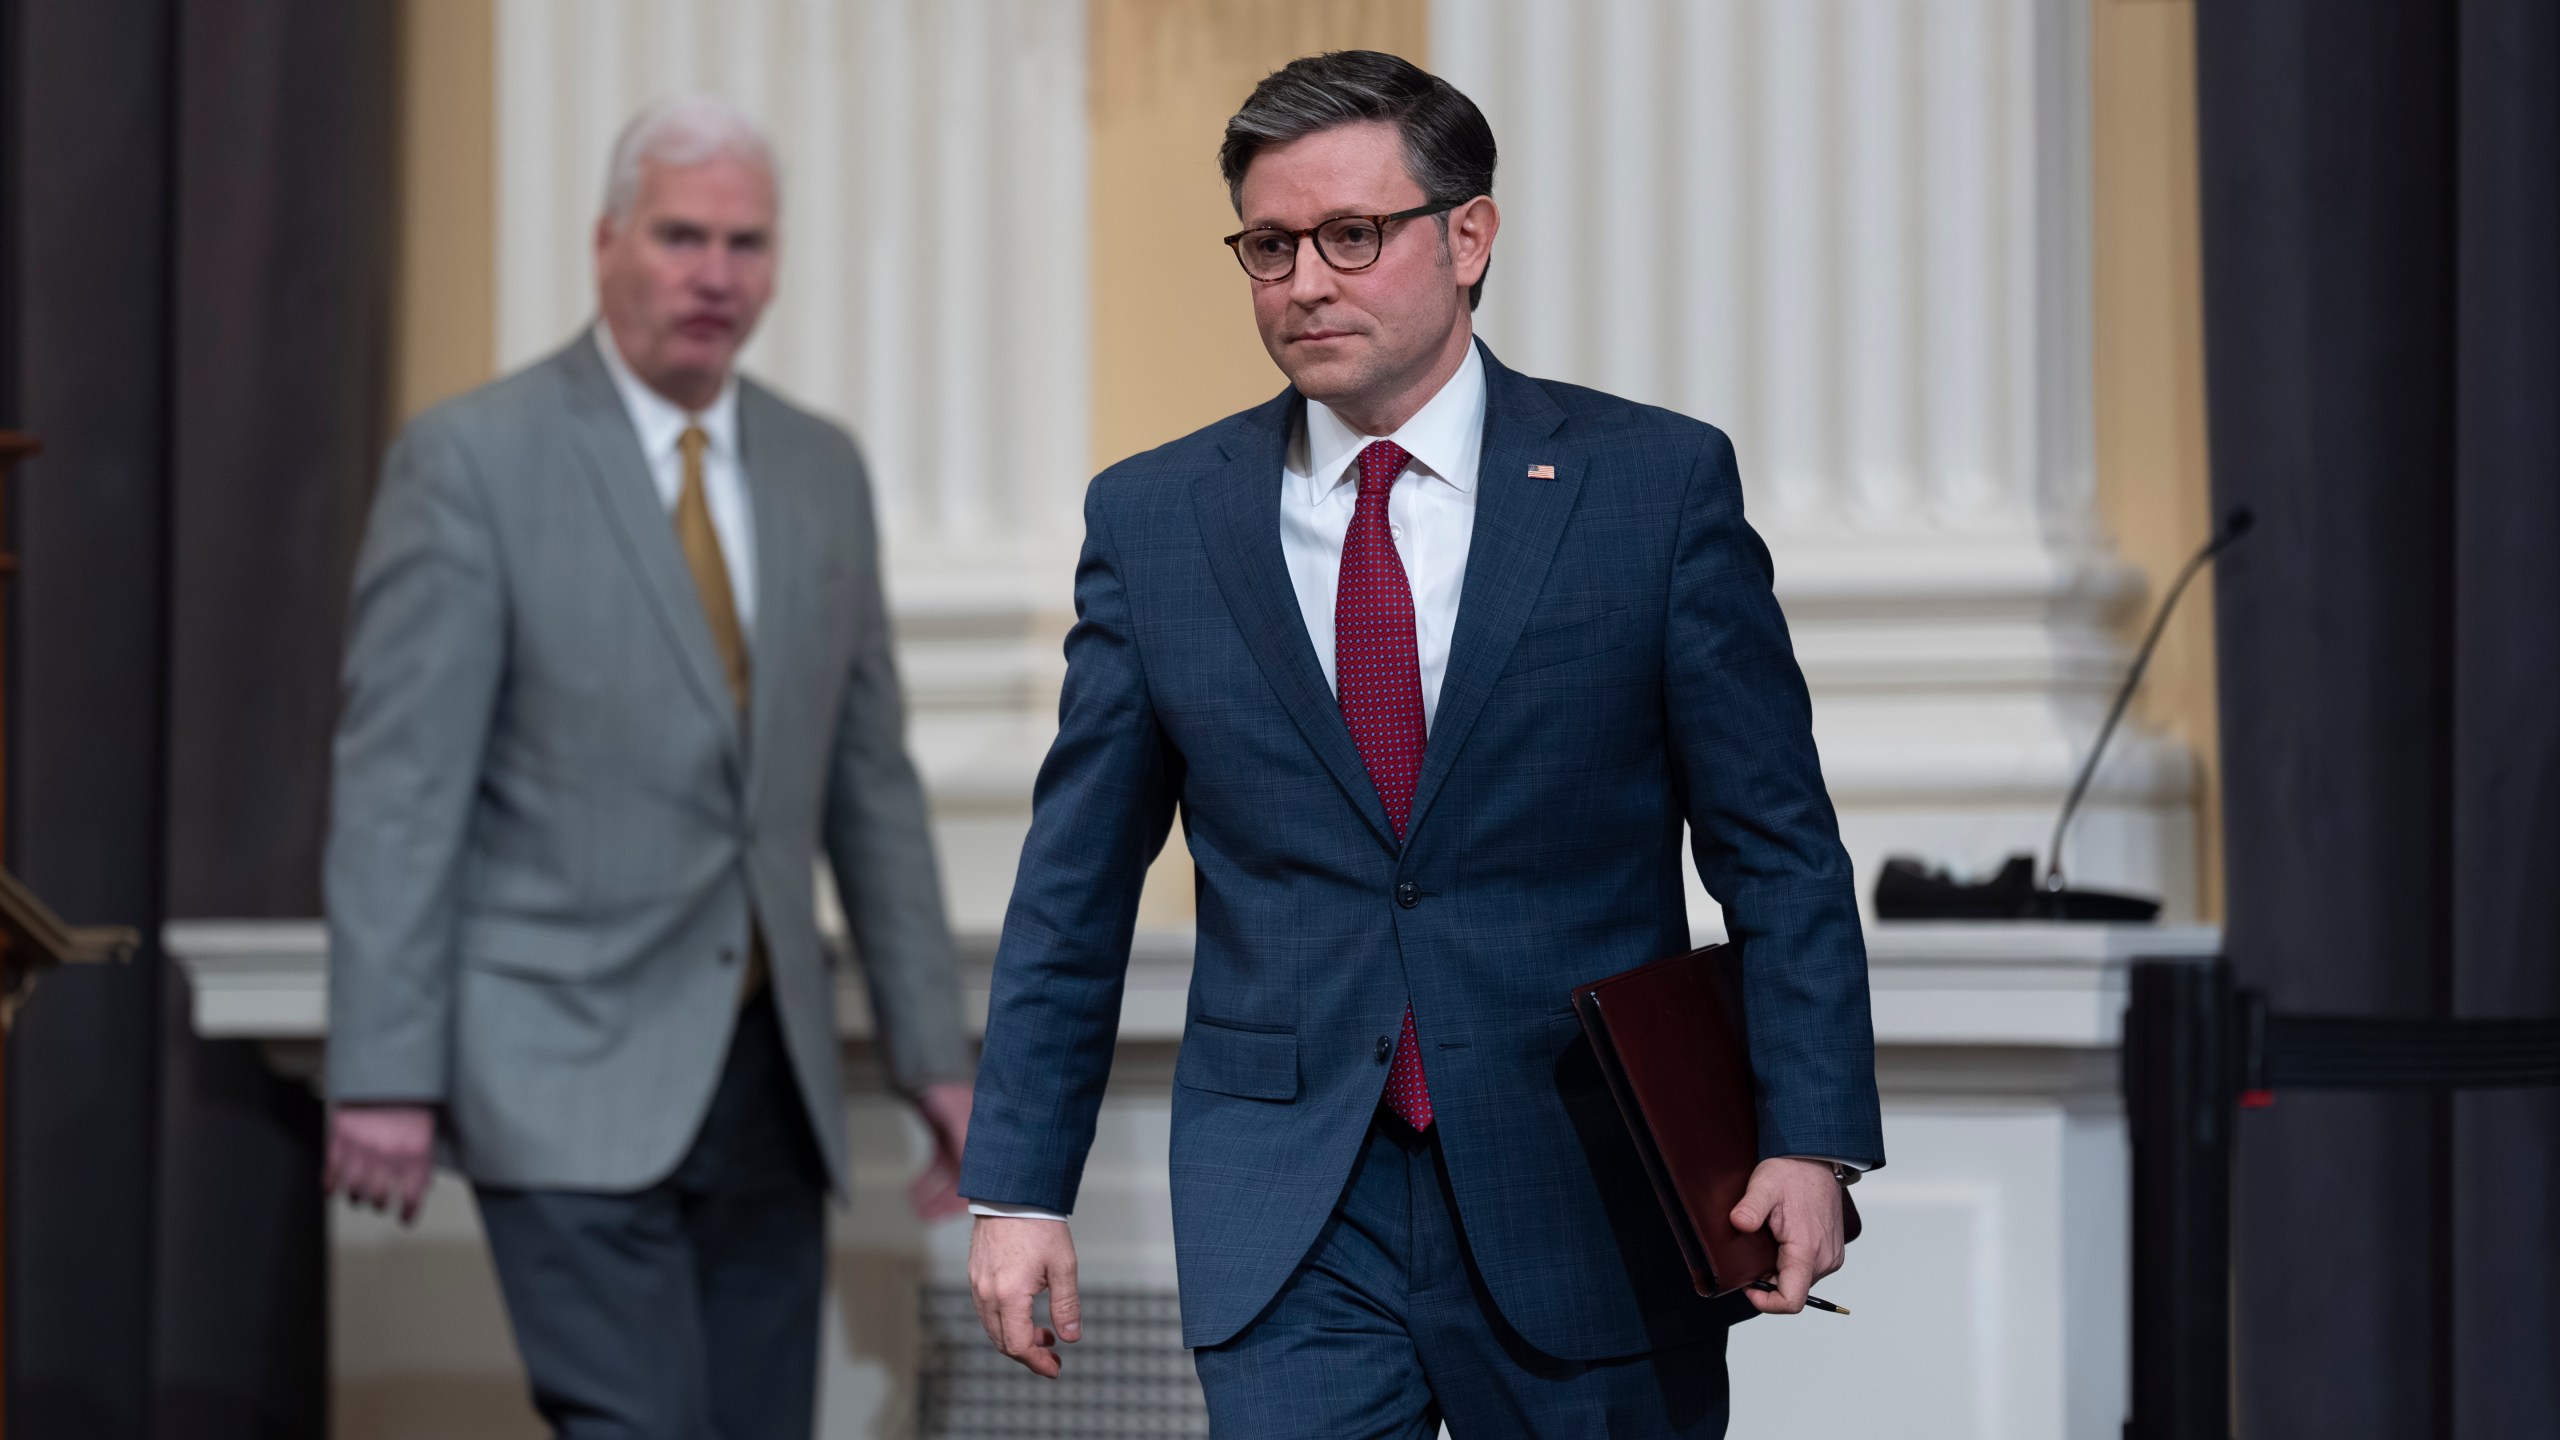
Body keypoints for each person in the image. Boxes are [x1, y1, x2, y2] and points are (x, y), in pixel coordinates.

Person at [960, 50, 1884, 1438]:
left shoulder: (1651, 488)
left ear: (1468, 236)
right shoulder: (1158, 521)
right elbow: (1072, 885)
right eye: (1269, 247)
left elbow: (1776, 848)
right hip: (1290, 1203)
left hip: (1588, 1181)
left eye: (1350, 235)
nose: (1305, 282)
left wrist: (1807, 1134)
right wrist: (1020, 1189)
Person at [321, 95, 972, 1440]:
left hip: (767, 1083)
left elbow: (873, 790)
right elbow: (399, 793)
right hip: (552, 1059)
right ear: (607, 241)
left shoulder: (818, 468)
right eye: (682, 236)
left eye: (746, 243)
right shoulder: (472, 461)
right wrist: (383, 1065)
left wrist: (938, 1059)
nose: (714, 275)